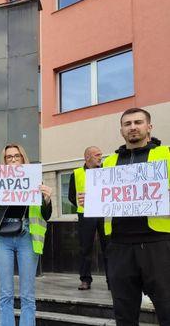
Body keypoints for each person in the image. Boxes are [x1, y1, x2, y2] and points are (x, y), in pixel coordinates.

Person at [84, 108, 169, 325]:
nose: (132, 127)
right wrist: (91, 199)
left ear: (149, 127)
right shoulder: (109, 163)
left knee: (167, 308)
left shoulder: (165, 155)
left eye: (138, 122)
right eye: (127, 123)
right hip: (119, 246)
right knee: (123, 313)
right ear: (121, 130)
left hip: (157, 243)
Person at [0, 143, 52, 326]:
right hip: (2, 238)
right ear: (4, 161)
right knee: (6, 293)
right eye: (9, 157)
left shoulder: (35, 180)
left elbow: (46, 215)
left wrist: (47, 200)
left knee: (27, 295)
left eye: (17, 156)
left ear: (23, 158)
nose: (13, 159)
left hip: (27, 236)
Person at [68, 146, 108, 290]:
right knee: (85, 248)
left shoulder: (106, 171)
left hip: (104, 214)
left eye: (101, 155)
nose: (100, 157)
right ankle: (85, 279)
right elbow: (71, 196)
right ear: (87, 157)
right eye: (97, 155)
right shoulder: (76, 173)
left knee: (108, 247)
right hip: (85, 215)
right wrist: (83, 204)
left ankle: (112, 281)